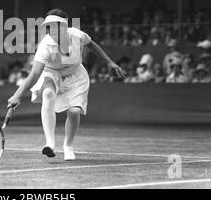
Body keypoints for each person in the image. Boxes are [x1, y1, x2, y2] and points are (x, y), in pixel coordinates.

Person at [7, 9, 127, 161]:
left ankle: (68, 146)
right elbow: (35, 74)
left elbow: (92, 45)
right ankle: (49, 143)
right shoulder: (45, 45)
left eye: (53, 25)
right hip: (52, 73)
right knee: (48, 93)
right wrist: (17, 95)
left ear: (63, 26)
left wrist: (110, 62)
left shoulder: (78, 35)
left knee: (75, 112)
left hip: (76, 75)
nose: (50, 29)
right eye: (48, 26)